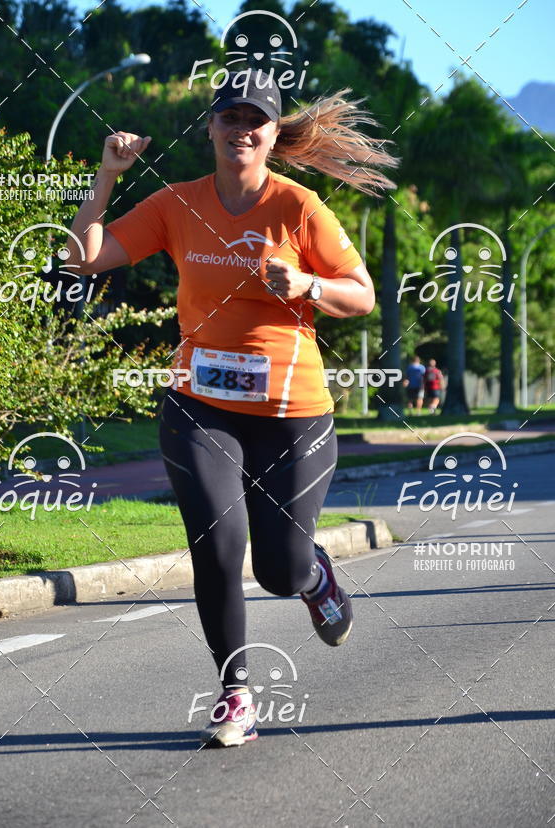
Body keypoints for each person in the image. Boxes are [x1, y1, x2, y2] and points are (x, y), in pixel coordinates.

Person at [65, 71, 399, 747]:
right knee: (216, 546)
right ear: (211, 127)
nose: (241, 130)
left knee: (277, 569)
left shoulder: (300, 208)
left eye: (257, 120)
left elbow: (362, 295)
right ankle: (235, 695)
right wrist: (106, 175)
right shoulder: (175, 204)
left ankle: (313, 576)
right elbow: (83, 257)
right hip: (200, 405)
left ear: (273, 136)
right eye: (230, 117)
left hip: (293, 414)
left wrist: (306, 282)